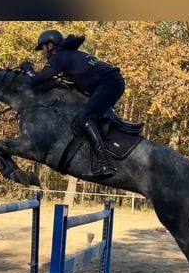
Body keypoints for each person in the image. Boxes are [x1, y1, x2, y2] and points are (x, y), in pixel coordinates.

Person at [20, 29, 123, 178]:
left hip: (109, 84)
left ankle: (104, 163)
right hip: (112, 82)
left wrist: (27, 68)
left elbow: (35, 80)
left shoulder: (59, 57)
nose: (43, 53)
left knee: (86, 120)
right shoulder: (70, 55)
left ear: (50, 45)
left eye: (42, 48)